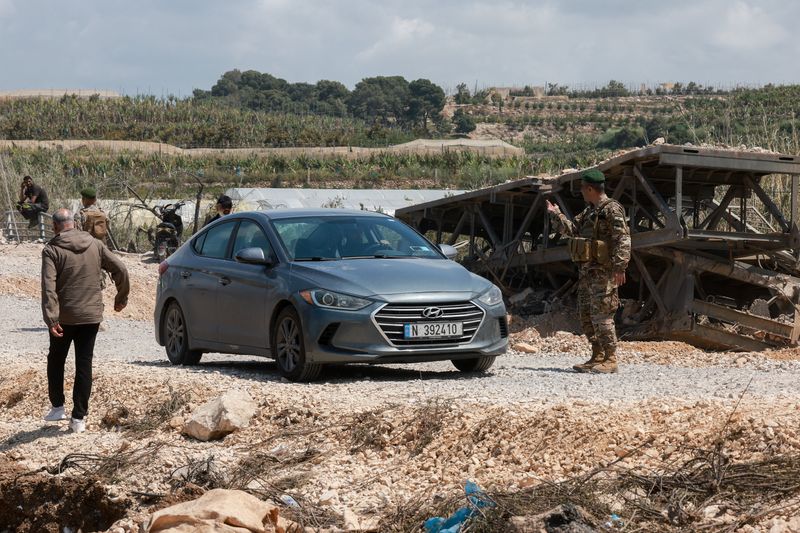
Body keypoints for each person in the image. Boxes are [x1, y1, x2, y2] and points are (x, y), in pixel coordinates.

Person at [41, 208, 130, 433]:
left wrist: (52, 318)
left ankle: (58, 406)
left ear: (55, 227)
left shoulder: (52, 249)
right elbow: (120, 268)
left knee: (56, 358)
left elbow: (48, 287)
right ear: (75, 224)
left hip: (65, 317)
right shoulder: (95, 244)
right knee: (84, 364)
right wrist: (121, 297)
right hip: (91, 316)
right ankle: (78, 419)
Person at [546, 169, 630, 373]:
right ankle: (597, 355)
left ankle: (610, 359)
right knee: (586, 316)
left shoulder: (611, 210)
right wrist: (556, 214)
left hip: (604, 274)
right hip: (587, 275)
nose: (582, 192)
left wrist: (620, 266)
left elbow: (623, 239)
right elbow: (572, 230)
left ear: (591, 188)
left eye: (583, 188)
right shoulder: (589, 212)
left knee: (602, 317)